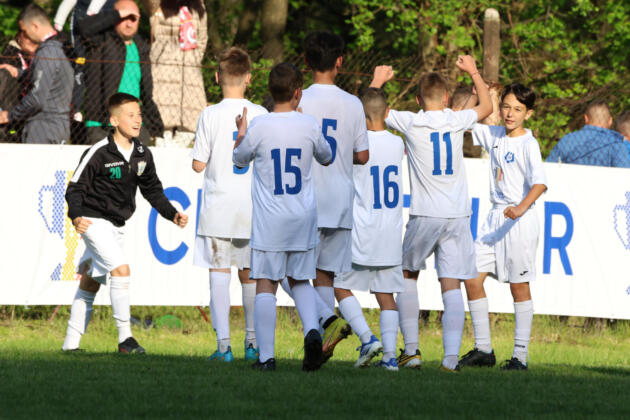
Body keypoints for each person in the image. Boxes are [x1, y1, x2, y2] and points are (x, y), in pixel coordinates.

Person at [370, 55, 492, 371]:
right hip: (457, 215)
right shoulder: (456, 119)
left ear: (417, 100)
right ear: (447, 97)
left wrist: (378, 81)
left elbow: (372, 110)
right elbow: (487, 107)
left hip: (425, 213)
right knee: (451, 282)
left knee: (407, 274)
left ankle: (412, 350)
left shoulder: (411, 121)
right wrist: (473, 71)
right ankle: (450, 359)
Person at [62, 92, 188, 353]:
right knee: (121, 270)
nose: (137, 120)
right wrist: (76, 216)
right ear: (114, 121)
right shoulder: (99, 152)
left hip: (117, 226)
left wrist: (172, 213)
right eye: (131, 115)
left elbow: (153, 191)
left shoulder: (142, 153)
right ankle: (125, 339)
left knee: (90, 282)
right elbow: (75, 188)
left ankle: (70, 346)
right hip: (94, 222)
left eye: (139, 115)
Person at [232, 63, 332, 371]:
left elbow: (238, 159)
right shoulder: (308, 124)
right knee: (300, 279)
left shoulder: (259, 125)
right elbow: (327, 156)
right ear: (298, 93)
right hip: (302, 217)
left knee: (266, 283)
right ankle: (312, 331)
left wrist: (241, 132)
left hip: (270, 220)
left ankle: (266, 357)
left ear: (270, 91)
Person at [292, 31, 370, 361]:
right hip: (339, 200)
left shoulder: (299, 101)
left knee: (291, 271)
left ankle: (325, 321)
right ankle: (322, 345)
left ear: (306, 61)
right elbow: (363, 155)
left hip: (306, 199)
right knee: (325, 274)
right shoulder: (353, 103)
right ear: (339, 61)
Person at [459, 84, 547, 371]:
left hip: (519, 221)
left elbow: (540, 183)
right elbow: (462, 120)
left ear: (528, 114)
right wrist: (478, 92)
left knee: (519, 287)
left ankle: (520, 357)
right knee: (472, 276)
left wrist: (520, 208)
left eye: (518, 109)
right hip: (494, 218)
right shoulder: (495, 134)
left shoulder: (528, 144)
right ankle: (484, 349)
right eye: (506, 106)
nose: (510, 114)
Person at [191, 47, 267, 362]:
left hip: (218, 206)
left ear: (216, 77)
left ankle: (224, 346)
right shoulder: (261, 114)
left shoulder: (209, 114)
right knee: (250, 274)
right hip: (251, 207)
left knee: (219, 271)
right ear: (249, 78)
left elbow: (198, 164)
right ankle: (252, 343)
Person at [334, 88, 404, 371]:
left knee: (339, 285)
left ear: (360, 117)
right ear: (387, 113)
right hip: (390, 232)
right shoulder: (398, 144)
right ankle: (390, 358)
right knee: (386, 296)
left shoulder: (356, 146)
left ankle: (367, 339)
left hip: (362, 231)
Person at [77, 0, 163, 145]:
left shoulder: (141, 47)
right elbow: (84, 28)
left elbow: (147, 94)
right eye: (123, 18)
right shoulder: (100, 41)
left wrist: (156, 127)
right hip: (102, 125)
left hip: (135, 127)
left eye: (133, 18)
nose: (128, 24)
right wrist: (116, 14)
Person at [0, 4, 74, 144]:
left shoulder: (47, 53)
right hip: (58, 126)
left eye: (24, 31)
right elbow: (49, 78)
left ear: (34, 26)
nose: (24, 35)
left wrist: (9, 115)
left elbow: (36, 99)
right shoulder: (60, 48)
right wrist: (19, 72)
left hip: (43, 129)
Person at [144, 0, 207, 147]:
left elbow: (202, 38)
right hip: (163, 68)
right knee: (162, 126)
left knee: (189, 125)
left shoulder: (198, 7)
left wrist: (193, 59)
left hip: (189, 70)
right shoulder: (157, 5)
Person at [546, 100, 630, 167]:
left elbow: (548, 168)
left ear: (586, 118)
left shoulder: (567, 140)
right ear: (610, 121)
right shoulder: (616, 144)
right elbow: (624, 175)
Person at [0, 30, 39, 142]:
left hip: (26, 104)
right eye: (27, 38)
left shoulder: (36, 55)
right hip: (12, 104)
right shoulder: (11, 54)